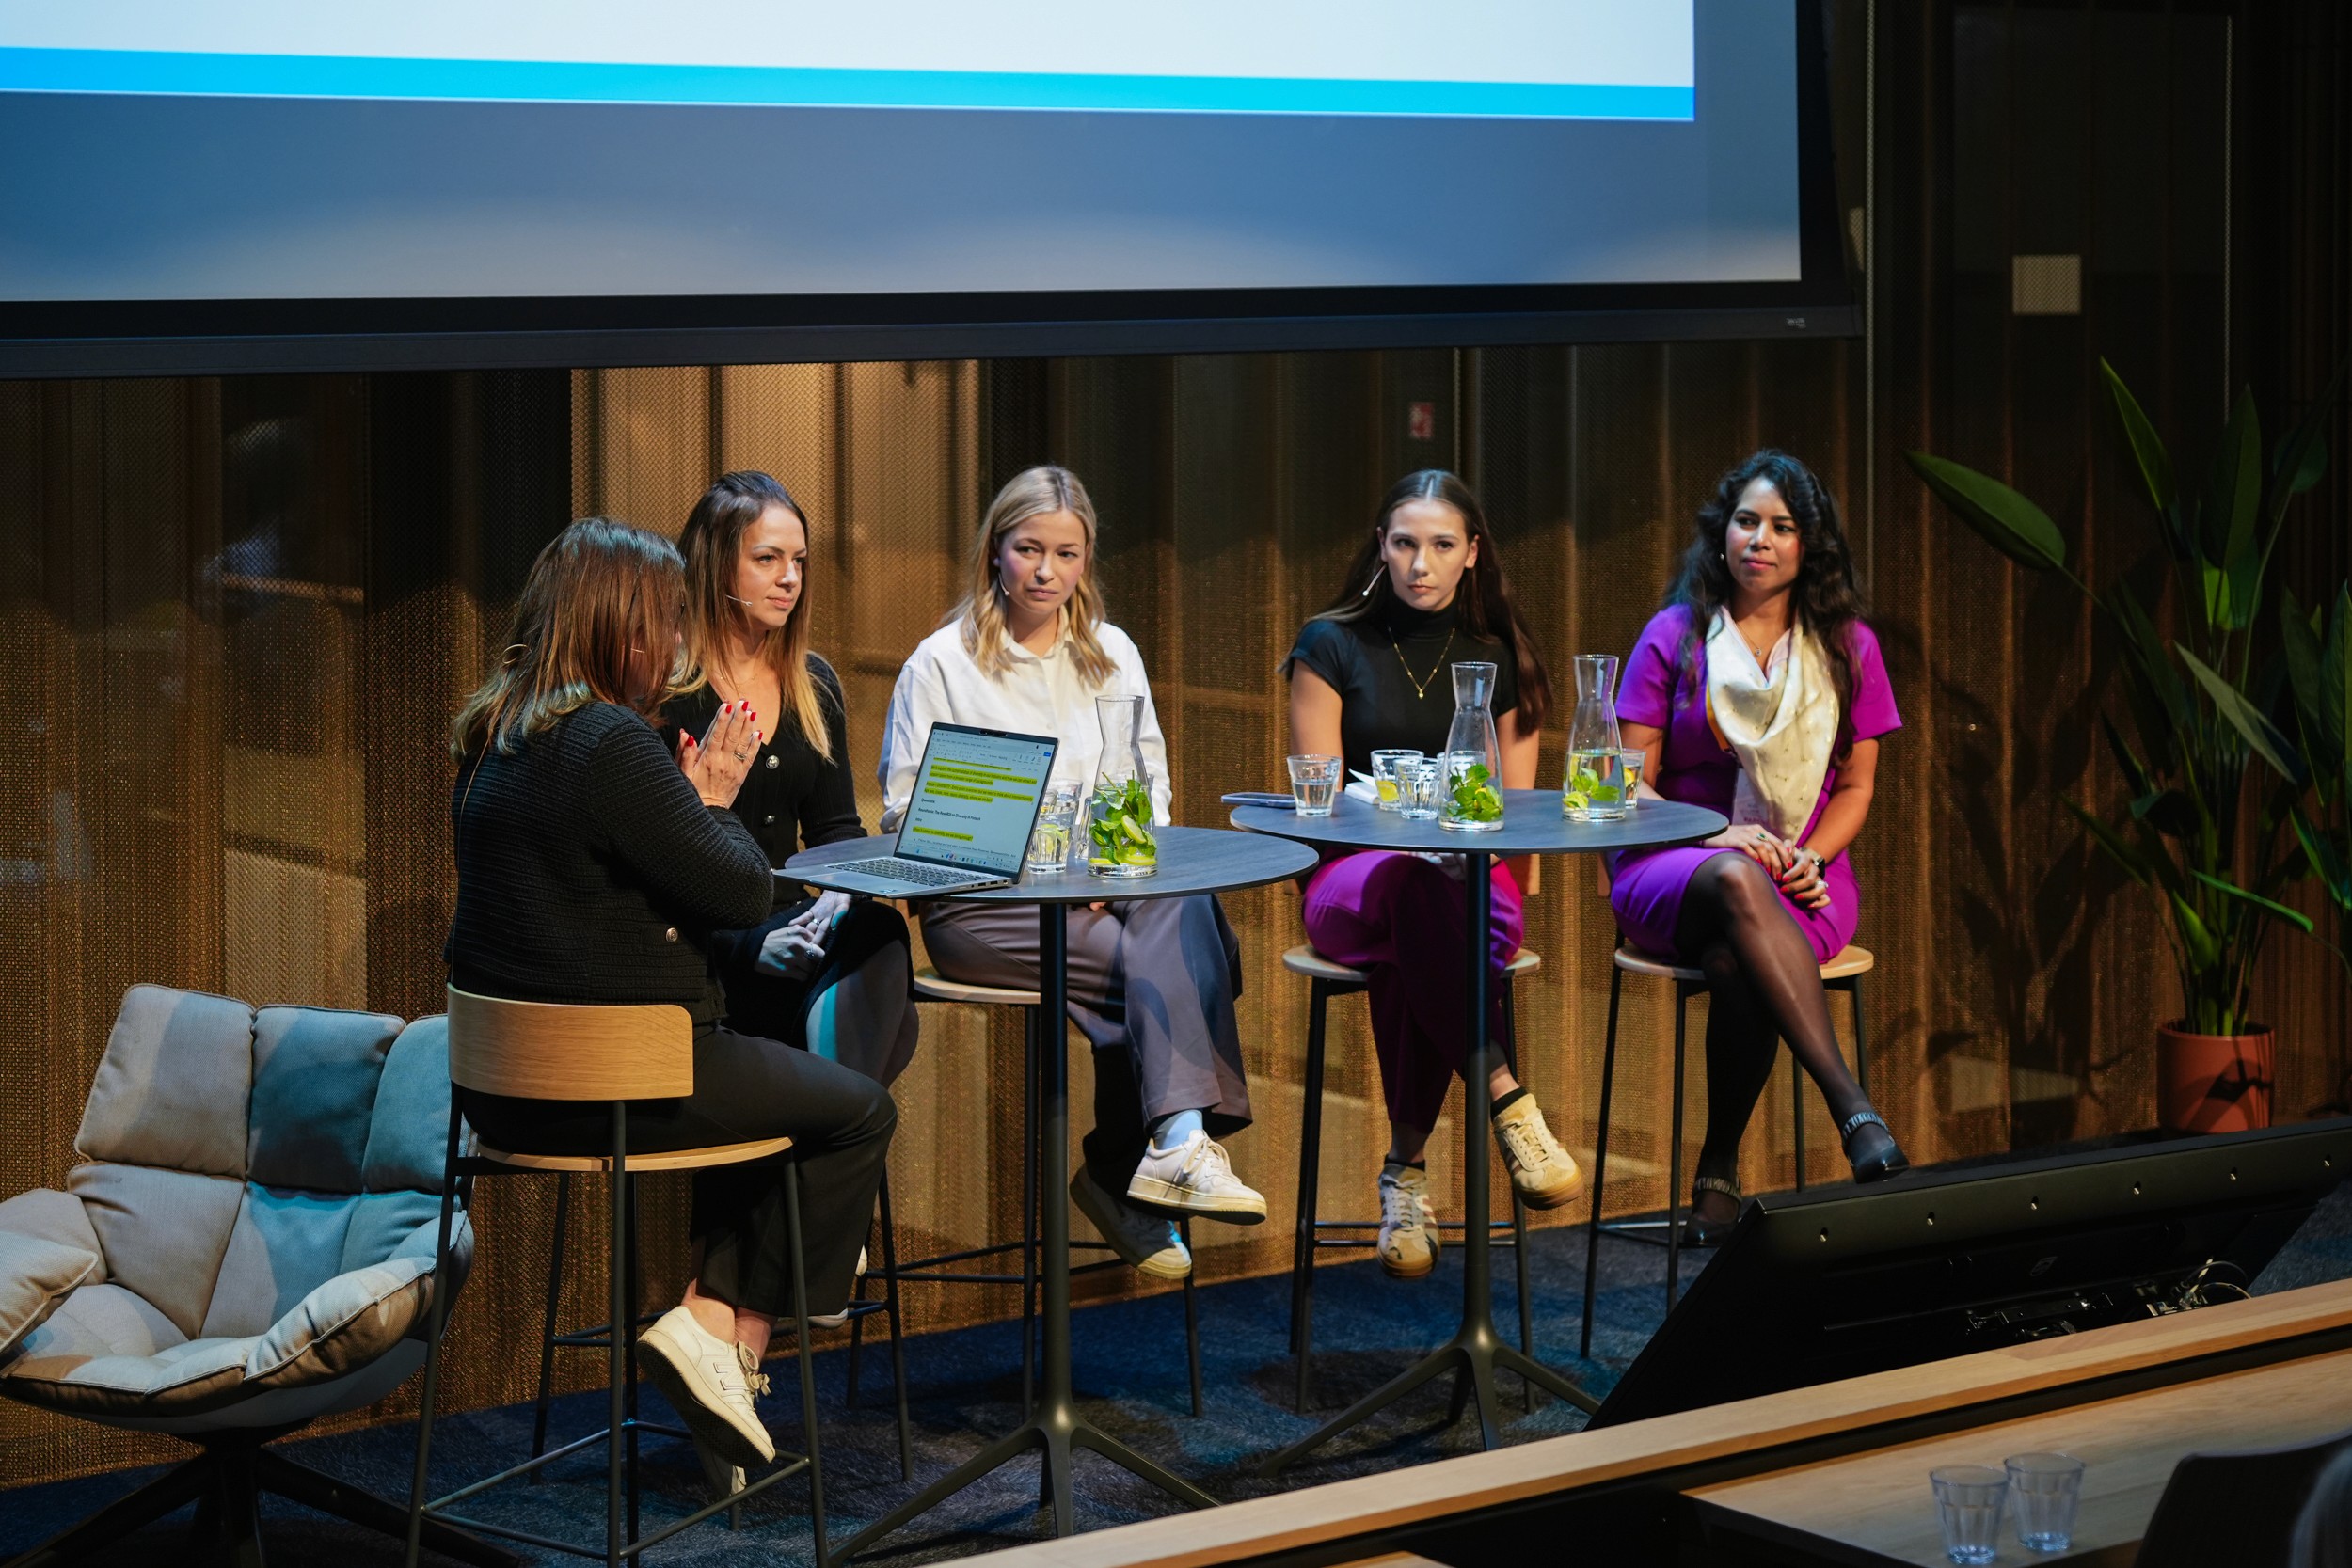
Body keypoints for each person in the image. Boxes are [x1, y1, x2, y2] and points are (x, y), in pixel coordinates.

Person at [446, 517, 897, 1487]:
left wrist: (686, 807)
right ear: (622, 626)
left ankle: (718, 1350)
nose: (677, 647)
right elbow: (738, 892)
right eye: (664, 622)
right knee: (856, 1108)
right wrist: (715, 798)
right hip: (626, 1074)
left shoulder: (495, 732)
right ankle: (718, 1331)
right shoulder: (609, 740)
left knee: (773, 1087)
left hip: (499, 1091)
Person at [879, 464, 1263, 1282]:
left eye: (1066, 552)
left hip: (1103, 897)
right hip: (984, 908)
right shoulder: (941, 662)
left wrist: (1111, 867)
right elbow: (905, 814)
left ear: (1086, 559)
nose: (1046, 571)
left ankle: (1166, 1146)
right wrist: (1031, 858)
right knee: (1181, 966)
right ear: (996, 551)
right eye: (1028, 550)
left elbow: (1151, 792)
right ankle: (1142, 1160)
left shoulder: (1111, 654)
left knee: (1181, 900)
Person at [1282, 469, 1585, 1281]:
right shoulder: (1329, 642)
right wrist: (1410, 839)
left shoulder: (1500, 656)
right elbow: (1315, 802)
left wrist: (1468, 855)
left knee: (1419, 941)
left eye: (1442, 545)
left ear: (1472, 554)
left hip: (1472, 883)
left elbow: (1514, 814)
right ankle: (1506, 1096)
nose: (1421, 562)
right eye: (1405, 542)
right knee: (1411, 898)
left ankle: (1404, 1175)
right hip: (1353, 879)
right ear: (1380, 547)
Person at [1610, 450, 1908, 1245]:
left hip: (1806, 874)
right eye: (1747, 521)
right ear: (1722, 533)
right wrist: (1711, 831)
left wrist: (1812, 855)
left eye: (1781, 527)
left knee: (1737, 960)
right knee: (1739, 878)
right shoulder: (1675, 635)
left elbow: (1856, 789)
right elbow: (1623, 786)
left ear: (1811, 545)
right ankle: (1855, 1108)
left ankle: (1716, 1173)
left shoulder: (1849, 647)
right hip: (1670, 861)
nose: (1760, 540)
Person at [661, 471, 919, 1086]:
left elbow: (835, 830)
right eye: (768, 559)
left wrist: (839, 892)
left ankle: (834, 1110)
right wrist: (746, 945)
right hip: (711, 942)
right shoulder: (667, 690)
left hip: (798, 924)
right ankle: (838, 1119)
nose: (790, 578)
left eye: (799, 560)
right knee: (886, 1013)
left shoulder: (815, 684)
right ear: (718, 564)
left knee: (878, 927)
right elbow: (657, 868)